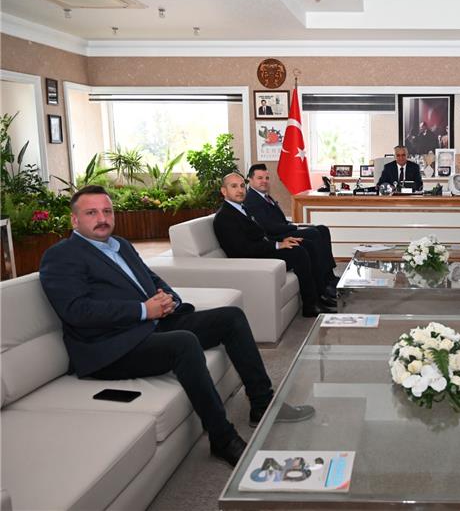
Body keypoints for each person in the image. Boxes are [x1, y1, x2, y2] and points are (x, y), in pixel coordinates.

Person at [38, 185, 314, 469]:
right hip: (112, 347)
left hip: (153, 324)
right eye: (92, 213)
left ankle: (263, 403)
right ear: (74, 220)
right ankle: (222, 438)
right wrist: (143, 310)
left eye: (107, 211)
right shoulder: (61, 256)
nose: (102, 218)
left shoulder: (120, 245)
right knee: (184, 342)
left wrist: (170, 298)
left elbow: (152, 279)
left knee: (231, 317)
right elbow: (76, 311)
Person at [213, 173, 337, 317]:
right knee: (298, 253)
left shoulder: (241, 208)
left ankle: (321, 295)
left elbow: (261, 235)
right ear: (224, 191)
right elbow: (242, 249)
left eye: (242, 186)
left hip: (261, 249)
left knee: (306, 244)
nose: (240, 190)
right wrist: (277, 245)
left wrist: (284, 240)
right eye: (234, 186)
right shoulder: (224, 217)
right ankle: (310, 305)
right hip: (250, 259)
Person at [244, 164, 338, 297]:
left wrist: (296, 225)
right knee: (314, 233)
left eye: (266, 178)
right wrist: (295, 227)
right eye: (260, 178)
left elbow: (280, 221)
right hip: (276, 236)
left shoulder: (264, 196)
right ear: (250, 179)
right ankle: (323, 281)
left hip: (283, 229)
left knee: (323, 229)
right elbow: (269, 227)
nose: (264, 181)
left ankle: (329, 275)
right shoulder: (251, 199)